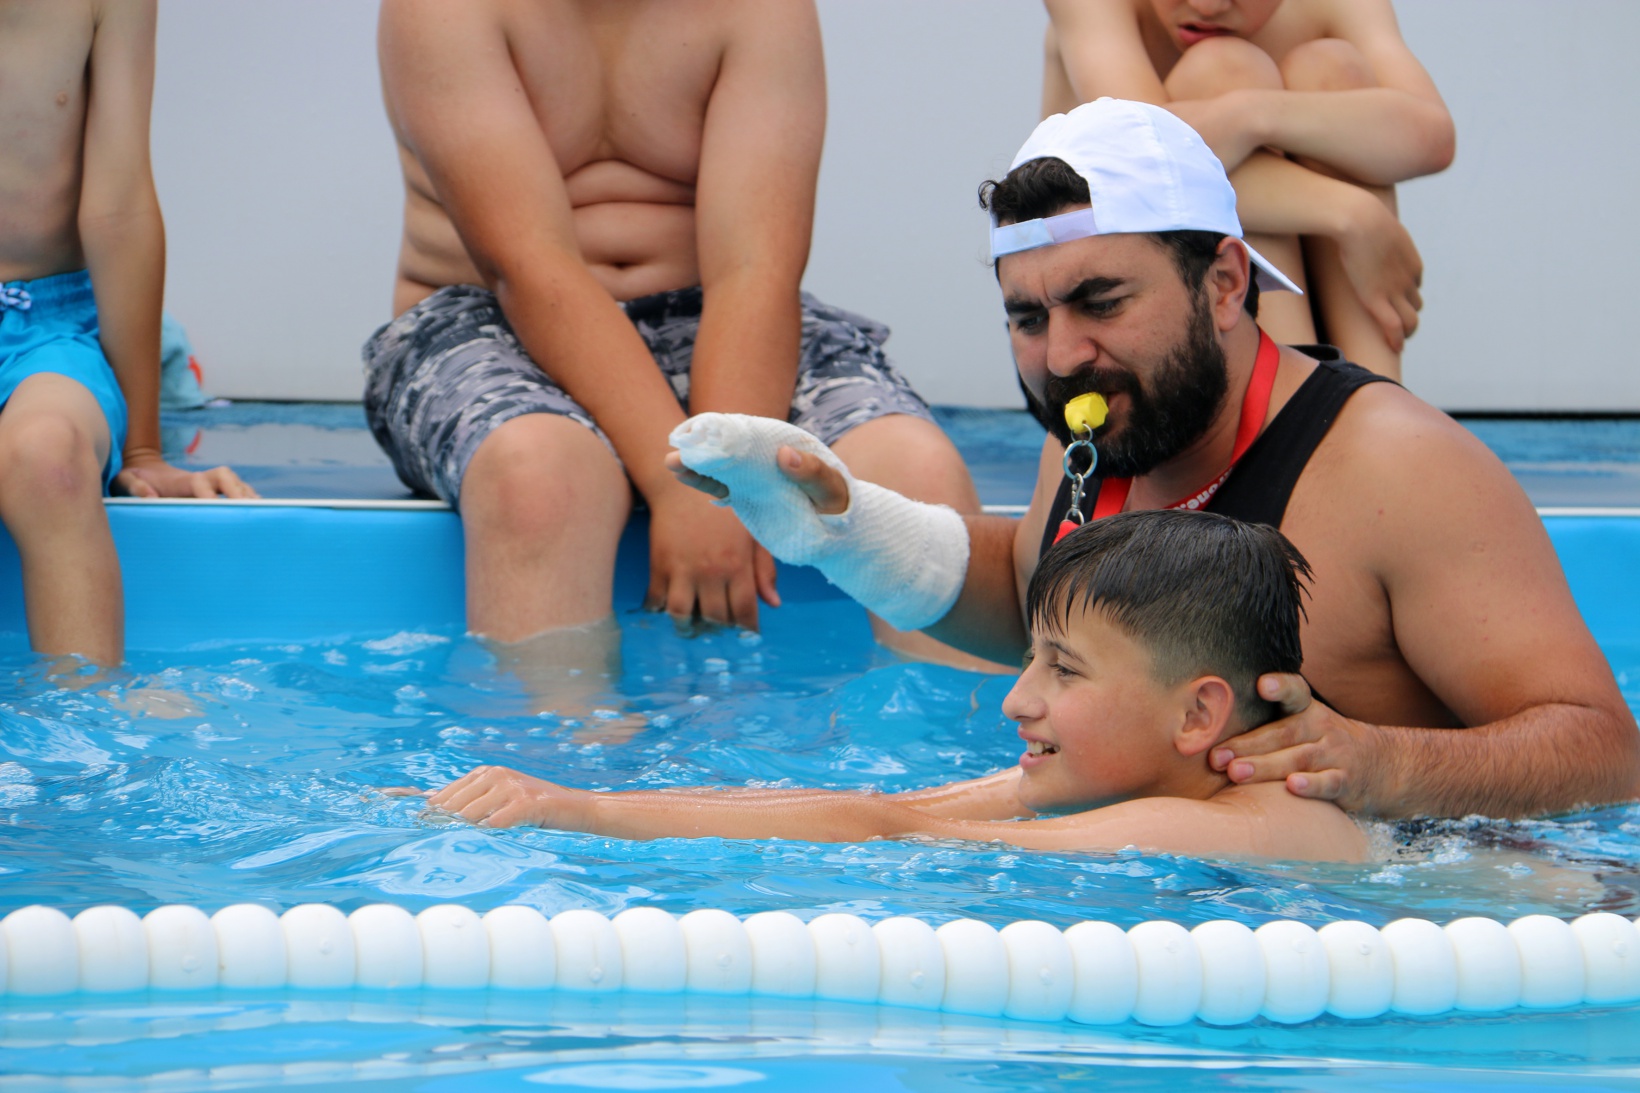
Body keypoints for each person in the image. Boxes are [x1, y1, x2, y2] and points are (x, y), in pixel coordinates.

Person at [667, 98, 1640, 821]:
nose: (1059, 356)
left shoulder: (1396, 473)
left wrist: (1380, 761)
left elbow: (1605, 756)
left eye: (1100, 302)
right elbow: (1037, 602)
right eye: (1025, 316)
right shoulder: (1100, 429)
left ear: (1222, 281)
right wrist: (845, 530)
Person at [366, 0, 983, 666]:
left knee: (917, 470)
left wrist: (731, 469)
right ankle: (548, 754)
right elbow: (527, 265)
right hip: (487, 318)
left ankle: (980, 760)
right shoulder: (440, 11)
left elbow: (754, 267)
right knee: (539, 476)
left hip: (713, 317)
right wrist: (682, 486)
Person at [416, 510, 1368, 862]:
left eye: (1062, 670)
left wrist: (578, 809)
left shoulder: (1224, 825)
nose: (1015, 699)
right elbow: (894, 803)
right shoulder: (1160, 779)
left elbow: (888, 828)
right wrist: (559, 802)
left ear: (1200, 712)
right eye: (1030, 658)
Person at [0, 1, 253, 669]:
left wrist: (143, 449)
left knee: (47, 454)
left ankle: (89, 742)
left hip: (42, 327)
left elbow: (118, 208)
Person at [1042, 0, 1455, 379]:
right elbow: (1138, 161)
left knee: (1332, 66)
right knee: (1222, 67)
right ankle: (1294, 411)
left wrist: (1254, 115)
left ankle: (1377, 397)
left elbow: (1433, 137)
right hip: (1105, 313)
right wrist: (1352, 214)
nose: (1207, 5)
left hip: (1300, 290)